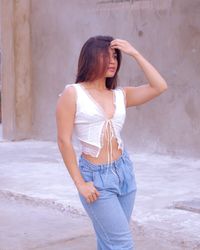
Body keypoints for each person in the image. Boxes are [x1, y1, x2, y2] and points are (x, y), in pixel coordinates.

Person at [56, 36, 168, 250]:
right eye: (106, 56)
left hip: (124, 172)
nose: (113, 61)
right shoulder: (73, 93)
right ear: (89, 58)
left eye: (115, 56)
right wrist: (80, 183)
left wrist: (134, 53)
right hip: (96, 179)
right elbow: (63, 141)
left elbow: (159, 86)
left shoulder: (120, 95)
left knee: (109, 242)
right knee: (121, 244)